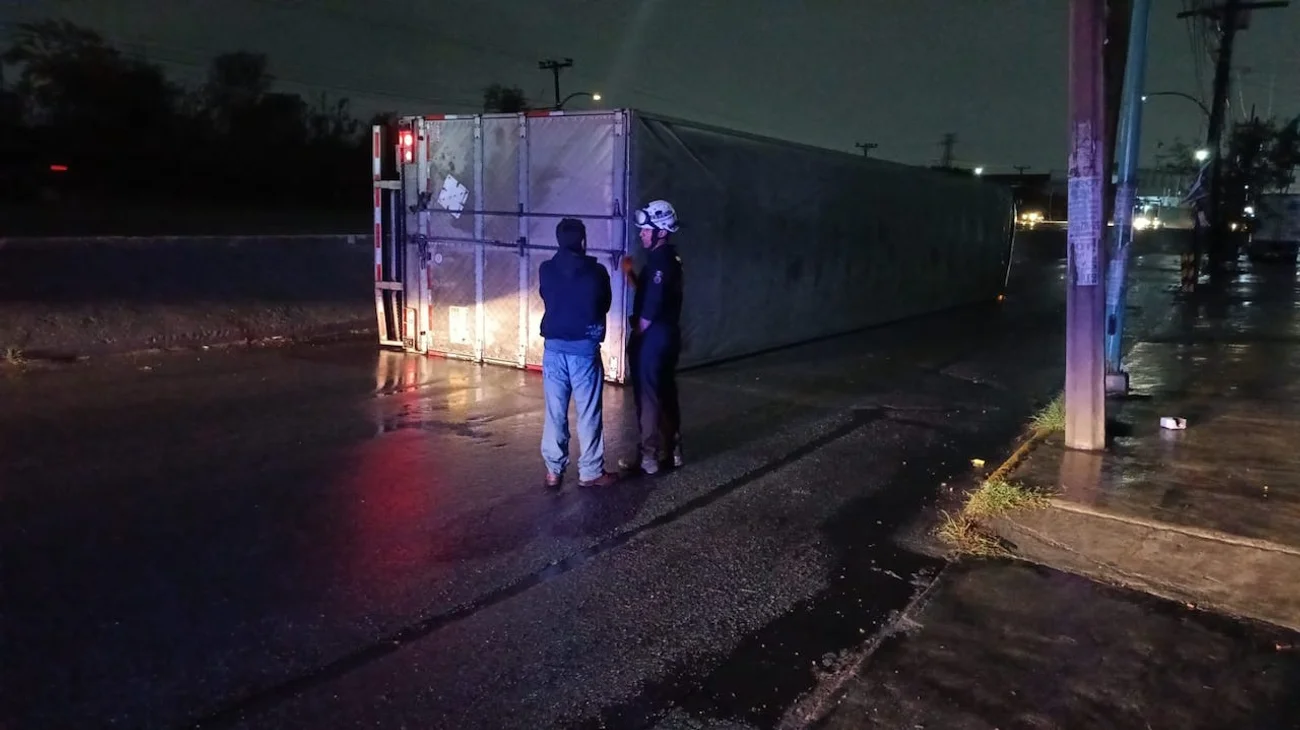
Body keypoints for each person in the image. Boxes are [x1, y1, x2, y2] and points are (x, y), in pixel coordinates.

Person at [539, 217, 619, 488]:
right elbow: (604, 304)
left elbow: (546, 296)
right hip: (584, 349)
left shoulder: (546, 269)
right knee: (588, 412)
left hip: (553, 348)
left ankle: (553, 471)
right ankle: (591, 471)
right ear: (582, 241)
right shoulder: (596, 272)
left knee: (555, 412)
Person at [625, 199, 685, 476]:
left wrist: (636, 336)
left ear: (661, 231)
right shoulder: (669, 260)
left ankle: (648, 458)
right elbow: (652, 293)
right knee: (666, 392)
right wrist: (631, 276)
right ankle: (672, 451)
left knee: (648, 397)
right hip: (668, 336)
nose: (641, 234)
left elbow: (650, 309)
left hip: (653, 339)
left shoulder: (661, 263)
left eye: (646, 230)